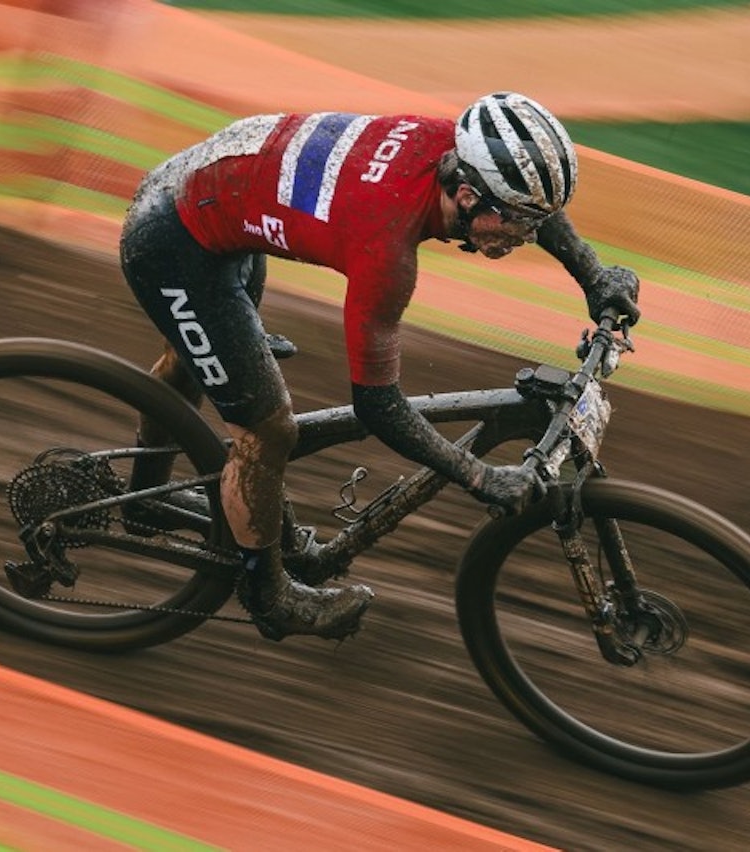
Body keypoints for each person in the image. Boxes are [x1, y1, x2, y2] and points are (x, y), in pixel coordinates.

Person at [119, 92, 640, 643]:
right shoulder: (386, 250)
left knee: (203, 354)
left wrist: (593, 274)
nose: (528, 236)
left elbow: (536, 207)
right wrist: (478, 476)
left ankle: (147, 496)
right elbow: (378, 403)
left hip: (208, 196)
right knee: (268, 430)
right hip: (176, 239)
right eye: (518, 223)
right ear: (467, 195)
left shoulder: (455, 148)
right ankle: (268, 596)